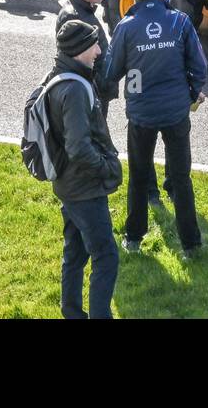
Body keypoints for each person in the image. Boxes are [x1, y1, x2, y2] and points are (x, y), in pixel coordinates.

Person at [105, 0, 208, 258]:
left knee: (138, 176)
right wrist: (190, 94)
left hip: (141, 114)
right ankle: (191, 244)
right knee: (181, 177)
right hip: (176, 111)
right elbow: (199, 66)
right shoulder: (180, 21)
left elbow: (112, 71)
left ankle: (134, 238)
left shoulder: (126, 26)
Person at [47, 18, 122, 318]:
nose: (99, 52)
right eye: (94, 45)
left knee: (75, 254)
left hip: (67, 183)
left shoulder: (59, 74)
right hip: (83, 187)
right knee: (106, 257)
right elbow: (78, 147)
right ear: (80, 50)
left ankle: (72, 313)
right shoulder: (76, 90)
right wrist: (106, 168)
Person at [56, 0, 113, 117]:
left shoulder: (85, 10)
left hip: (94, 89)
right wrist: (97, 86)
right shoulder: (73, 16)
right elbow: (75, 62)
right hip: (88, 92)